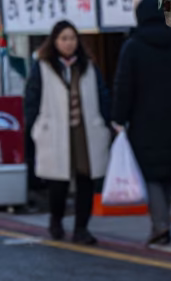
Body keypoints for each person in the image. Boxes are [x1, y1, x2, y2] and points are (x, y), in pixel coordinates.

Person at [112, 0, 171, 246]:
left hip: (143, 122)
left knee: (151, 174)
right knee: (168, 174)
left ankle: (160, 225)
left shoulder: (133, 47)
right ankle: (162, 222)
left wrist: (119, 118)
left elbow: (124, 86)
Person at [24, 20, 111, 245]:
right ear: (54, 41)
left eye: (72, 38)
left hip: (85, 131)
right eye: (64, 38)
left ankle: (81, 228)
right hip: (54, 131)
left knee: (86, 180)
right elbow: (32, 101)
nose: (69, 43)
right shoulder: (43, 67)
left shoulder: (88, 66)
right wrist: (34, 129)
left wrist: (106, 121)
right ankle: (56, 220)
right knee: (58, 182)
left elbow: (102, 96)